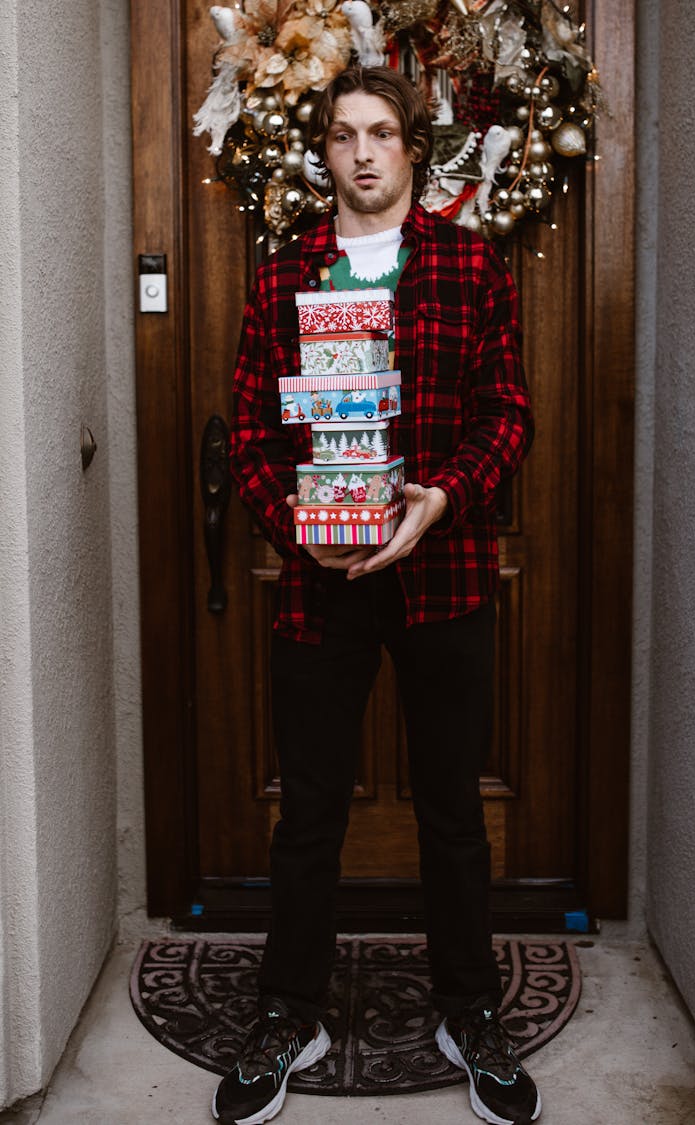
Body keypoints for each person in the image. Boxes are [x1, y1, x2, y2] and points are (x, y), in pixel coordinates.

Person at [214, 65, 537, 1125]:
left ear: (411, 149)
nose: (364, 152)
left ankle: (469, 1007)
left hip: (444, 578)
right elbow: (255, 432)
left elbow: (510, 411)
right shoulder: (283, 277)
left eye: (383, 133)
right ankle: (289, 1012)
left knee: (452, 813)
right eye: (345, 134)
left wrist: (444, 497)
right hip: (320, 588)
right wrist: (302, 529)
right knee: (307, 815)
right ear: (328, 152)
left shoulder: (470, 267)